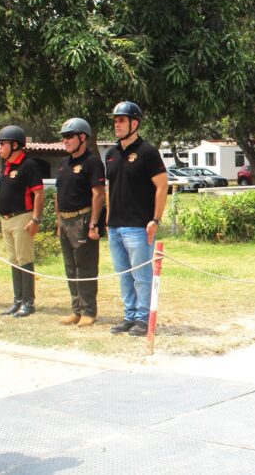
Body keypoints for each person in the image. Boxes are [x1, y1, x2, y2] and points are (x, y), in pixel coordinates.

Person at [105, 102, 168, 336]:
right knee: (123, 275)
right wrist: (108, 220)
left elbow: (162, 186)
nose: (116, 124)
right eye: (115, 120)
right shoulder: (110, 155)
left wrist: (155, 220)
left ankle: (143, 318)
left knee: (141, 276)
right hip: (115, 227)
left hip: (138, 227)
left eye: (121, 120)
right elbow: (111, 189)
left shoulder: (148, 152)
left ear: (135, 123)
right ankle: (129, 316)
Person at [55, 118, 106, 327]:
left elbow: (98, 194)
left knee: (85, 267)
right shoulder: (63, 164)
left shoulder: (92, 162)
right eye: (64, 137)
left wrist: (94, 223)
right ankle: (76, 310)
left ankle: (88, 311)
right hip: (65, 221)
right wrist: (58, 220)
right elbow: (58, 194)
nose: (65, 141)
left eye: (69, 136)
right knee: (70, 268)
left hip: (82, 219)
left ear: (82, 137)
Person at [0, 125, 44, 318]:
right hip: (6, 220)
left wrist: (35, 219)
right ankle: (17, 300)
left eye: (2, 144)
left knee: (25, 260)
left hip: (22, 218)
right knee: (14, 261)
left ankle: (28, 302)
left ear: (15, 145)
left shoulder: (28, 165)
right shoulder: (7, 166)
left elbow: (38, 193)